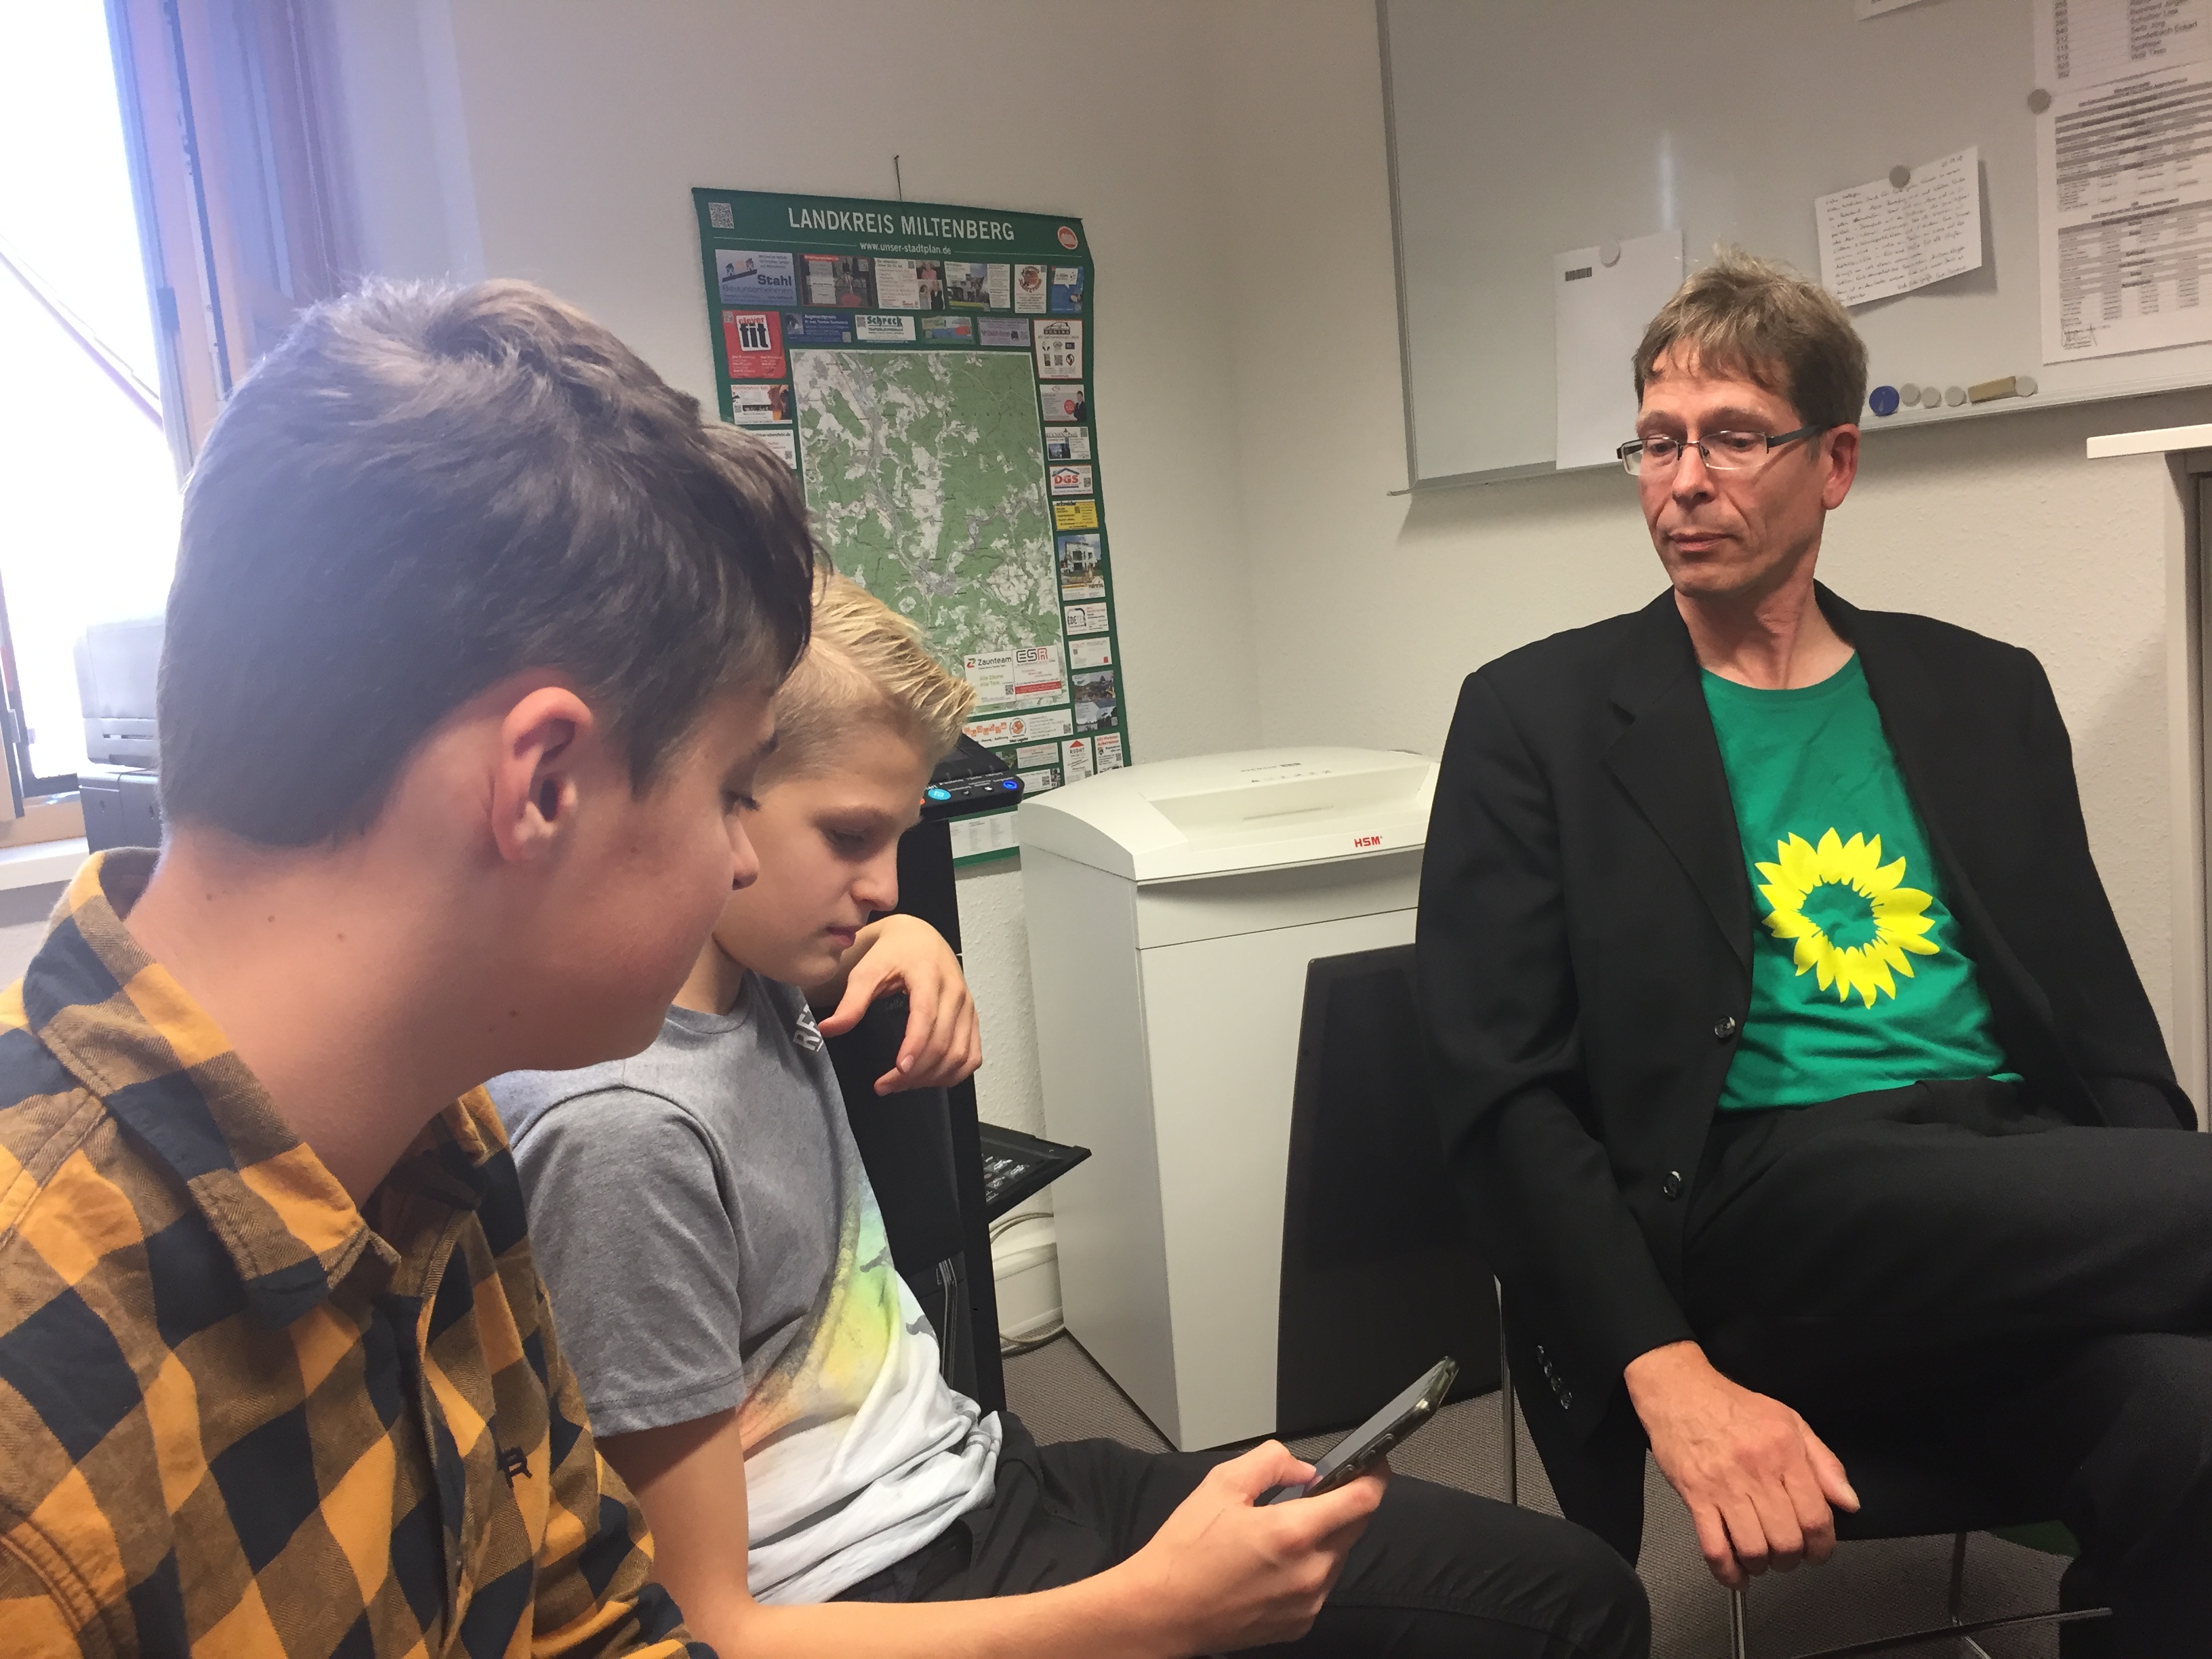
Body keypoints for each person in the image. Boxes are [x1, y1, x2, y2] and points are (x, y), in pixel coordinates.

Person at [492, 576, 1650, 1659]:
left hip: (988, 1478)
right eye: (849, 838)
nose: (886, 884)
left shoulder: (760, 972)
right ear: (719, 794)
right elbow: (708, 1632)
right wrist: (1155, 1611)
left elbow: (852, 920)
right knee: (1561, 1623)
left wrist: (916, 939)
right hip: (876, 1589)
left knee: (1576, 1589)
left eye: (899, 840)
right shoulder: (622, 1133)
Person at [0, 279, 817, 1656]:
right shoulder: (34, 1439)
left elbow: (590, 1624)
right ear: (545, 783)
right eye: (732, 790)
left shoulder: (429, 1135)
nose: (739, 862)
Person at [1416, 247, 2212, 1654]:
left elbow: (2100, 1025)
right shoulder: (1535, 718)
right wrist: (1661, 1365)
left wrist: (2137, 1217)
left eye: (1732, 437)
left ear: (1835, 461)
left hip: (2012, 1183)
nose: (1683, 482)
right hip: (1764, 1196)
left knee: (2189, 1426)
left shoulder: (1983, 690)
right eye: (1658, 441)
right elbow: (1504, 1096)